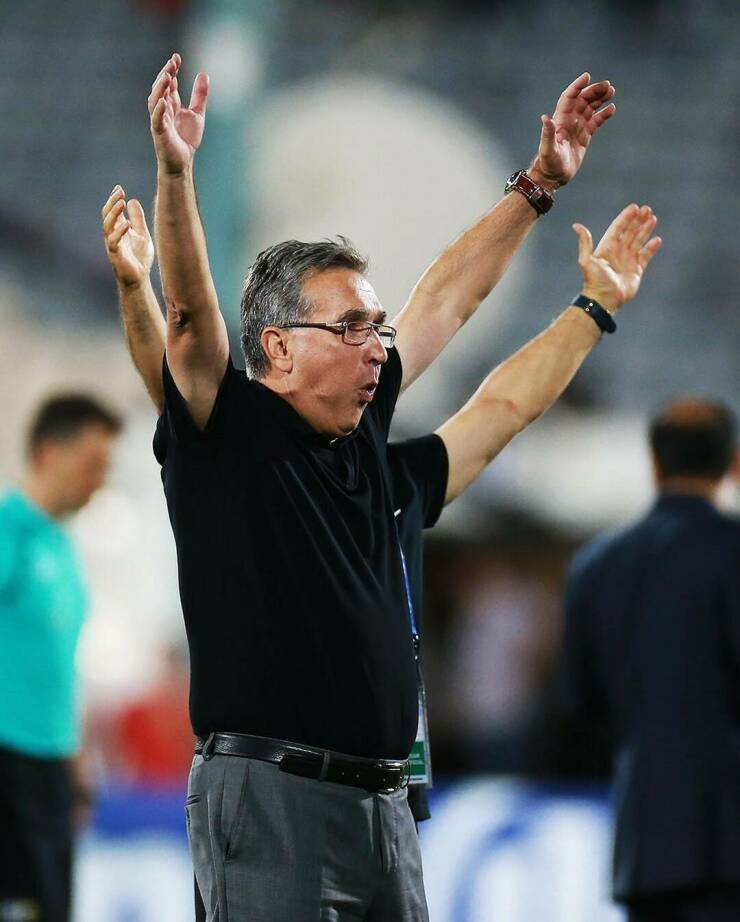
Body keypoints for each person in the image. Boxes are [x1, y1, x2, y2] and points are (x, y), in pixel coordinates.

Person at [103, 83, 660, 908]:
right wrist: (177, 175)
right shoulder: (230, 437)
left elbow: (481, 364)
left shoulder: (381, 467)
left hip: (386, 804)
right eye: (351, 327)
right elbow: (186, 315)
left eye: (377, 328)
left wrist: (555, 220)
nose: (376, 346)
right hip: (271, 798)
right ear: (277, 348)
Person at [561, 399, 740, 922]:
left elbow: (579, 701)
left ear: (654, 462)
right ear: (731, 463)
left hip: (645, 842)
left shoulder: (595, 564)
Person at [0, 395, 121, 922]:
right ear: (50, 452)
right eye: (94, 464)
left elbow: (56, 665)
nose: (101, 481)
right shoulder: (8, 531)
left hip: (50, 769)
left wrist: (75, 758)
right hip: (8, 762)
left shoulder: (62, 548)